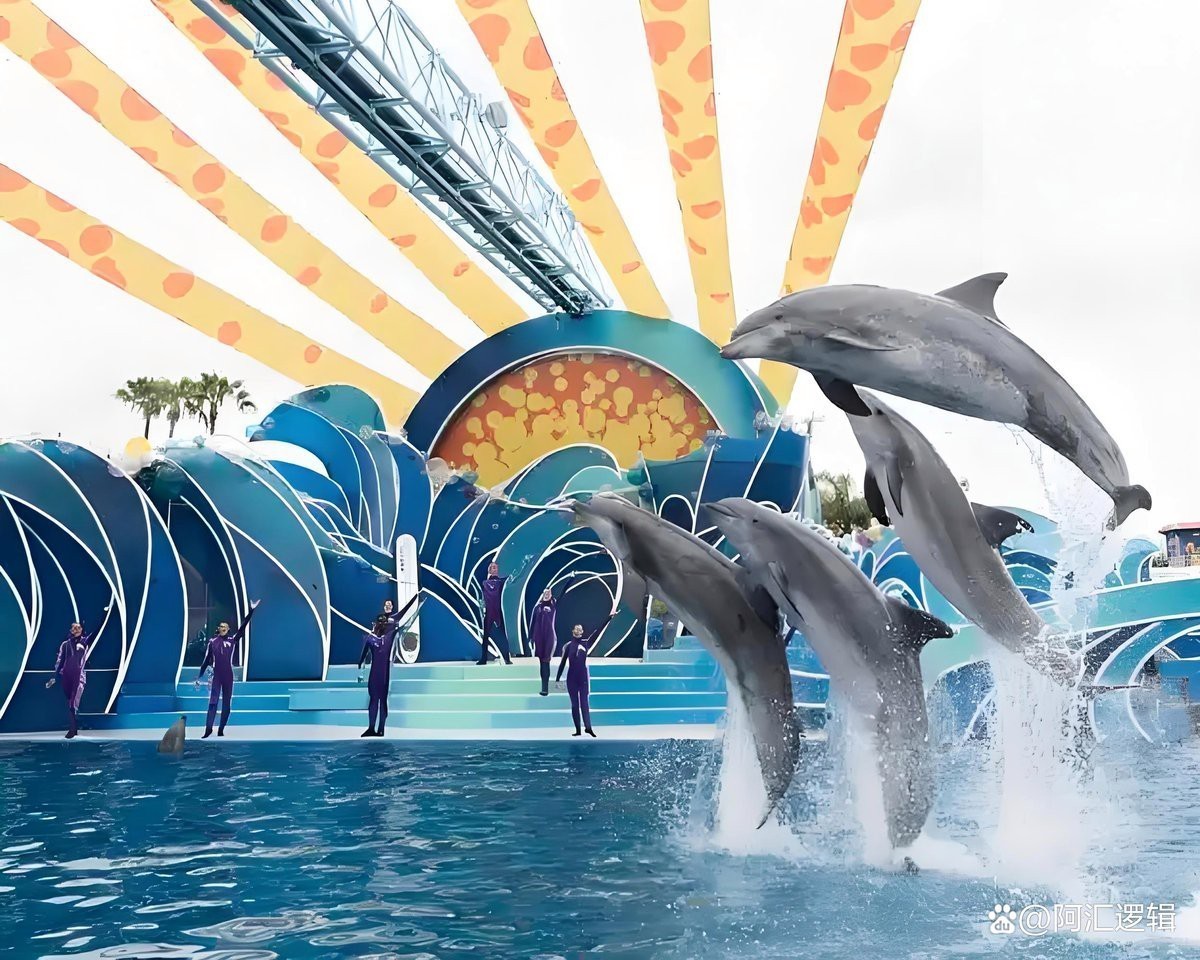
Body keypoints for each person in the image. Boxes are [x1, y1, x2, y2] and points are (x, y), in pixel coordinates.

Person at [193, 600, 260, 739]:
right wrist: (199, 676)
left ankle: (221, 729)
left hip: (228, 675)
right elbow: (206, 661)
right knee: (213, 703)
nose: (223, 628)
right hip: (217, 675)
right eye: (221, 626)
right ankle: (208, 729)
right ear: (218, 628)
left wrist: (251, 611)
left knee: (227, 704)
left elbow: (243, 627)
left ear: (228, 629)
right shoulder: (212, 642)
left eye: (226, 627)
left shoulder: (232, 640)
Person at [358, 594, 418, 737]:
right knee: (373, 699)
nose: (382, 624)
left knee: (382, 700)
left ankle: (381, 729)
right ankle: (371, 728)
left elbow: (407, 618)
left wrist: (417, 599)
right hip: (375, 674)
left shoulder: (389, 636)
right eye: (380, 623)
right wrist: (360, 663)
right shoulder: (371, 639)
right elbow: (363, 653)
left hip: (384, 674)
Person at [45, 607, 109, 739]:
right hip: (66, 676)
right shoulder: (65, 644)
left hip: (78, 675)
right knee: (70, 702)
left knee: (73, 703)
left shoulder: (85, 641)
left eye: (78, 627)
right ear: (70, 630)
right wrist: (54, 678)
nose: (75, 629)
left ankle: (72, 730)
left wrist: (104, 614)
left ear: (81, 630)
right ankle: (75, 726)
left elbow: (98, 630)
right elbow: (61, 661)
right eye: (73, 627)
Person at [555, 613, 615, 737]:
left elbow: (598, 631)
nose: (578, 631)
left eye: (580, 629)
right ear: (573, 631)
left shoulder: (586, 643)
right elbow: (562, 663)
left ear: (582, 632)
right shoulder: (568, 646)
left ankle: (588, 728)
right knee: (574, 705)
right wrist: (557, 678)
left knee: (584, 703)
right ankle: (578, 730)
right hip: (571, 678)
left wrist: (609, 617)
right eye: (576, 629)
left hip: (582, 678)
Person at [528, 576, 574, 695]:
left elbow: (563, 592)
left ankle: (545, 688)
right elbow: (532, 623)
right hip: (538, 637)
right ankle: (543, 686)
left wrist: (570, 579)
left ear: (551, 595)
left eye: (549, 593)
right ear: (542, 595)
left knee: (546, 661)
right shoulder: (537, 607)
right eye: (545, 593)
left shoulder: (554, 605)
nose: (547, 595)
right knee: (541, 662)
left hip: (549, 637)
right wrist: (530, 638)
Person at [476, 561, 512, 665]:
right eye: (491, 567)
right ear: (489, 570)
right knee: (486, 636)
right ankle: (483, 659)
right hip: (489, 613)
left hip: (499, 612)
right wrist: (481, 605)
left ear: (498, 569)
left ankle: (507, 658)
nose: (494, 568)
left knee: (503, 635)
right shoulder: (484, 583)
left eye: (495, 567)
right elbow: (481, 598)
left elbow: (515, 577)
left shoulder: (502, 582)